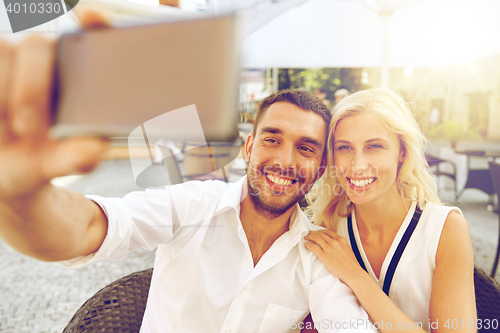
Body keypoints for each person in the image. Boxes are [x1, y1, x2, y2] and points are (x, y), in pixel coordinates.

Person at [0, 11, 376, 332]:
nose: (285, 160)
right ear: (248, 147)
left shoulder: (318, 255)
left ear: (320, 166)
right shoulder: (194, 205)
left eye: (306, 148)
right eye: (272, 139)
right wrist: (22, 193)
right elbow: (89, 228)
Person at [302, 88, 476, 332]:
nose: (357, 165)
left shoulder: (445, 230)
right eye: (344, 147)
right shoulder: (328, 227)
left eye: (374, 146)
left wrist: (355, 275)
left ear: (402, 152)